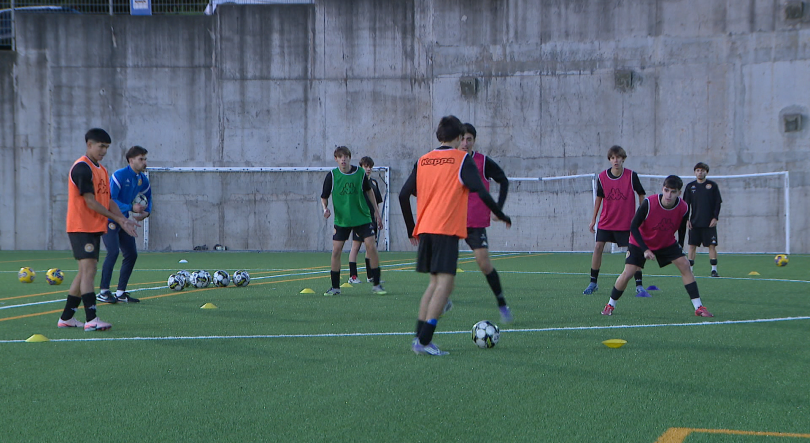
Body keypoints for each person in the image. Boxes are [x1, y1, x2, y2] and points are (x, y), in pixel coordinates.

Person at [399, 115, 512, 356]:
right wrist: (500, 213)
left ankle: (419, 338)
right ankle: (424, 341)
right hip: (445, 229)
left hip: (426, 228)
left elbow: (403, 194)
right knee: (444, 285)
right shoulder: (461, 160)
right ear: (459, 137)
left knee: (435, 284)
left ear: (439, 135)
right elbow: (481, 191)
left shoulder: (423, 160)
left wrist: (411, 227)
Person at [57, 128, 139, 332]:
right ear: (89, 144)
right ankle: (91, 319)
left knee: (84, 272)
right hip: (80, 227)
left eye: (107, 147)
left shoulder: (101, 170)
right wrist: (117, 219)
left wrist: (123, 219)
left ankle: (66, 318)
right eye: (101, 146)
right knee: (89, 271)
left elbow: (108, 200)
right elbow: (91, 202)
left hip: (93, 227)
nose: (104, 151)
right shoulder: (82, 168)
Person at [600, 175, 714, 318]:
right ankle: (610, 305)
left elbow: (682, 228)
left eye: (673, 192)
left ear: (679, 193)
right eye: (666, 190)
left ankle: (699, 307)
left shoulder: (684, 208)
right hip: (640, 242)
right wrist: (645, 249)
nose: (669, 195)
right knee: (628, 272)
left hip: (665, 242)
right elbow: (633, 227)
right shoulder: (649, 203)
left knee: (685, 265)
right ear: (662, 189)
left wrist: (680, 247)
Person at [454, 123, 513, 323]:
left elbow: (503, 180)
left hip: (475, 223)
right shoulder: (450, 161)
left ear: (474, 141)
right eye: (462, 139)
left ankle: (502, 303)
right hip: (451, 221)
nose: (465, 143)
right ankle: (442, 300)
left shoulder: (482, 162)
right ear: (456, 140)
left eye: (469, 139)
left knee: (484, 264)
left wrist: (498, 209)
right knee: (444, 265)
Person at [584, 145, 648, 297]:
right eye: (613, 158)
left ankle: (639, 285)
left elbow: (641, 194)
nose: (616, 160)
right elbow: (599, 199)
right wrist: (593, 220)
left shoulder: (631, 176)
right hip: (606, 221)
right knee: (598, 247)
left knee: (634, 250)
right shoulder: (602, 177)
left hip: (626, 223)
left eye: (618, 157)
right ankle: (593, 282)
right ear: (610, 160)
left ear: (623, 159)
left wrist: (641, 215)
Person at [321, 146, 386, 296]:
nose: (343, 159)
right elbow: (324, 197)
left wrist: (376, 213)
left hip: (362, 217)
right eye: (340, 157)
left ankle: (377, 284)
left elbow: (369, 192)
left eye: (346, 156)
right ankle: (335, 287)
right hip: (342, 220)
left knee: (371, 246)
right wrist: (325, 209)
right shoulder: (332, 176)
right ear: (336, 159)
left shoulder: (360, 173)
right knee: (336, 251)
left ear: (350, 158)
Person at [97, 146, 151, 303]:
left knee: (131, 254)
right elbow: (110, 200)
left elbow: (149, 196)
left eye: (145, 159)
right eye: (141, 159)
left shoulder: (142, 179)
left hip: (124, 221)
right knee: (113, 252)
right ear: (131, 160)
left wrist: (147, 212)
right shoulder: (119, 176)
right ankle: (104, 292)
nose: (144, 162)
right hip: (108, 220)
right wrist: (131, 208)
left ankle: (120, 293)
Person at [347, 156, 384, 284]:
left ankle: (370, 276)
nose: (368, 169)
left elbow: (376, 202)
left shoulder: (373, 183)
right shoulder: (357, 182)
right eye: (366, 166)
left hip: (371, 220)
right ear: (361, 167)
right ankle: (353, 276)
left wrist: (378, 217)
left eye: (370, 167)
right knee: (356, 246)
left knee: (371, 247)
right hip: (360, 219)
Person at [684, 162, 723, 277]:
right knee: (692, 246)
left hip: (709, 223)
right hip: (694, 222)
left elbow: (717, 203)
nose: (700, 172)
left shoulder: (712, 186)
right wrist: (686, 219)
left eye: (702, 170)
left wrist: (715, 218)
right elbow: (685, 205)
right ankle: (690, 270)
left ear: (706, 172)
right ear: (695, 172)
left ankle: (714, 270)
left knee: (712, 246)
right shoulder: (690, 187)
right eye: (698, 170)